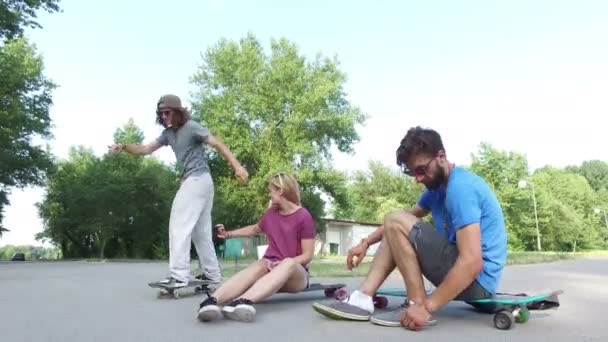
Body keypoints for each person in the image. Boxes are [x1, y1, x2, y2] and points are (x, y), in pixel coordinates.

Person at [312, 126, 508, 331]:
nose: (418, 179)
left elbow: (472, 262)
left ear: (441, 156)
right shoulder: (438, 188)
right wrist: (366, 242)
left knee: (395, 221)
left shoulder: (461, 188)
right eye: (412, 172)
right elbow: (403, 219)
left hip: (477, 283)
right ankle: (363, 297)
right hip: (466, 281)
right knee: (394, 224)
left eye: (422, 170)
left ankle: (417, 304)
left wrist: (428, 307)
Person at [109, 94, 249, 289]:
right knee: (200, 233)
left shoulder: (191, 127)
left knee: (178, 224)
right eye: (161, 114)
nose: (164, 117)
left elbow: (217, 143)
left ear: (177, 111)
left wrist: (237, 166)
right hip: (198, 183)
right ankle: (212, 275)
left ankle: (179, 275)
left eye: (168, 113)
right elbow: (145, 149)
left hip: (198, 179)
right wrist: (124, 147)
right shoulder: (168, 135)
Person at [197, 172, 316, 323]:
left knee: (288, 263)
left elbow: (307, 255)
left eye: (271, 191)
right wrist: (228, 234)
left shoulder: (303, 216)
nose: (269, 195)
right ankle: (212, 302)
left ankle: (241, 302)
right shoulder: (271, 214)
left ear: (280, 191)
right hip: (270, 270)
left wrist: (283, 263)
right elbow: (254, 229)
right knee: (260, 264)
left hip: (295, 276)